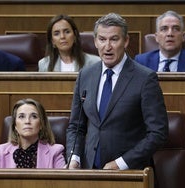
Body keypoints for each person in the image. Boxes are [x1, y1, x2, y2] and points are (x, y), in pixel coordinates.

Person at [66, 13, 168, 170]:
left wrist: (121, 163)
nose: (107, 46)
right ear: (95, 42)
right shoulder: (85, 75)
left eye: (114, 39)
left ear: (126, 41)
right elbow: (76, 126)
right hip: (90, 171)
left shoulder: (145, 78)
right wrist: (74, 158)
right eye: (102, 39)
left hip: (130, 173)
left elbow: (158, 133)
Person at [134, 10, 185, 109]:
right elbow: (134, 96)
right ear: (157, 37)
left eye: (176, 29)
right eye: (164, 29)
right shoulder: (141, 62)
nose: (170, 33)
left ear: (183, 36)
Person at [0, 98, 66, 168]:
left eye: (34, 116)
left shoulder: (55, 152)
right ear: (15, 125)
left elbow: (62, 182)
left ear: (41, 124)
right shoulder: (2, 151)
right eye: (21, 116)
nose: (27, 121)